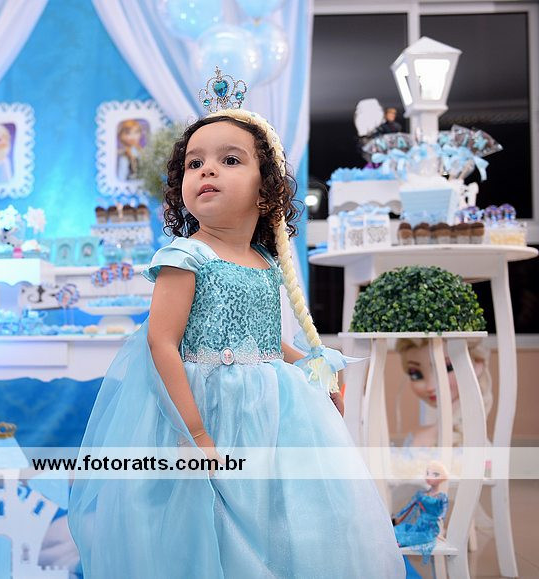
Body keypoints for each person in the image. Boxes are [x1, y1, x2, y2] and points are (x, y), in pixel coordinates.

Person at [69, 102, 405, 577]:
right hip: (205, 411)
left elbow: (266, 338)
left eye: (229, 160)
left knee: (280, 520)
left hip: (270, 415)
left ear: (266, 193)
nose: (207, 170)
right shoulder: (185, 257)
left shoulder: (265, 262)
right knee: (207, 525)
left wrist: (311, 367)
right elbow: (161, 343)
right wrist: (195, 433)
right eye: (194, 163)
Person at [395, 338, 493, 447]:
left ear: (477, 364)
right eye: (416, 374)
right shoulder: (419, 436)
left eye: (447, 368)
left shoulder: (476, 444)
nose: (430, 387)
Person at [393, 461, 449, 563]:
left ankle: (400, 542)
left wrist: (441, 517)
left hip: (430, 528)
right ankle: (393, 539)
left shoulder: (441, 496)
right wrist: (399, 515)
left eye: (435, 474)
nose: (429, 477)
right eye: (427, 473)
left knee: (418, 537)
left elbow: (444, 510)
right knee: (402, 528)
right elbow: (409, 506)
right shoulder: (422, 494)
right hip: (419, 525)